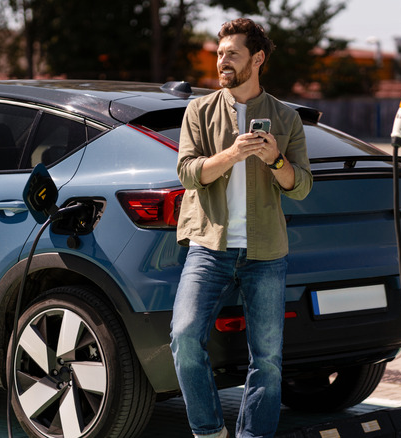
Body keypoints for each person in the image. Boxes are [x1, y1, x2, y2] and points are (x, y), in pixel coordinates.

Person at [170, 18, 313, 438]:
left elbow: (301, 186)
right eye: (219, 54)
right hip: (209, 248)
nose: (222, 61)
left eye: (231, 53)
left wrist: (276, 161)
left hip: (266, 254)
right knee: (183, 338)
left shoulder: (285, 118)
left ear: (258, 58)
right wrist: (232, 154)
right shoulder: (199, 110)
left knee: (267, 359)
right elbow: (187, 172)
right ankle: (209, 431)